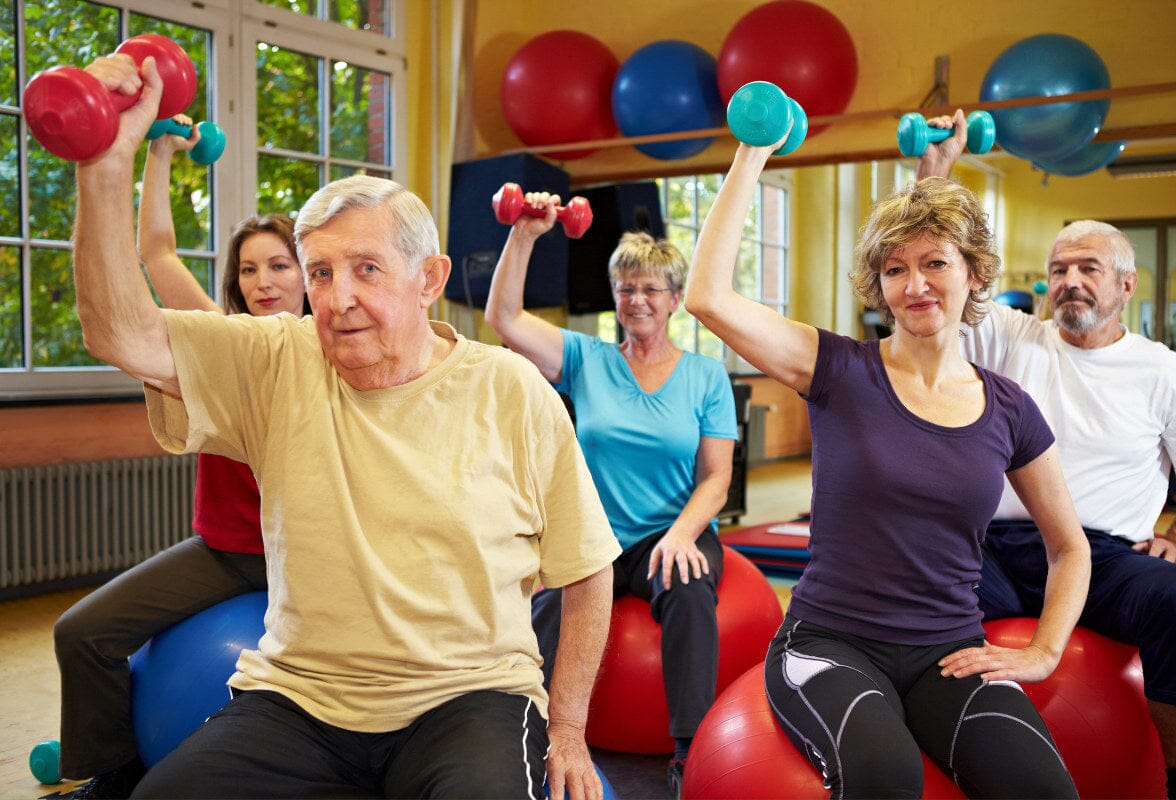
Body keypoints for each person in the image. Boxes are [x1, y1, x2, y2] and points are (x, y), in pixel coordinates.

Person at [71, 53, 620, 800]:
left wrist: (568, 728)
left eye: (366, 269)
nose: (336, 299)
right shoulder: (278, 357)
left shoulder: (510, 389)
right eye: (321, 273)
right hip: (301, 700)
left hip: (469, 696)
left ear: (428, 280)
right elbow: (121, 336)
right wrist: (103, 163)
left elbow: (587, 571)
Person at [685, 135, 1093, 798]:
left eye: (935, 263)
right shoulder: (839, 369)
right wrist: (752, 156)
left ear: (974, 275)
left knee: (1042, 787)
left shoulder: (1008, 408)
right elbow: (706, 297)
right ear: (878, 285)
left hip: (948, 653)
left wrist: (1045, 650)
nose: (916, 285)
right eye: (895, 270)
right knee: (886, 775)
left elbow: (1069, 546)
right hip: (829, 643)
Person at [919, 111, 1176, 800]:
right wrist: (936, 168)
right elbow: (936, 264)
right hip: (994, 546)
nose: (1071, 281)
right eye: (1059, 270)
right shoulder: (1013, 335)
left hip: (1102, 558)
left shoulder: (1165, 372)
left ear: (1125, 286)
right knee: (919, 603)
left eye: (1089, 268)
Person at [52, 117, 309, 800]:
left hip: (308, 560)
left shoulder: (329, 357)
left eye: (280, 265)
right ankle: (117, 774)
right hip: (224, 551)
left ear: (309, 274)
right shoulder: (225, 343)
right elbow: (157, 253)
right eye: (249, 269)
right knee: (83, 633)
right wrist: (159, 153)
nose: (263, 281)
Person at [485, 207, 738, 797]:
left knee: (689, 587)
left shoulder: (705, 375)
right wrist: (523, 236)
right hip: (596, 536)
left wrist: (681, 535)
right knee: (541, 613)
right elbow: (504, 317)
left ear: (675, 298)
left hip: (672, 528)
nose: (638, 300)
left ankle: (688, 749)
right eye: (626, 288)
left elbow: (716, 478)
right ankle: (523, 734)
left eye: (651, 288)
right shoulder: (586, 359)